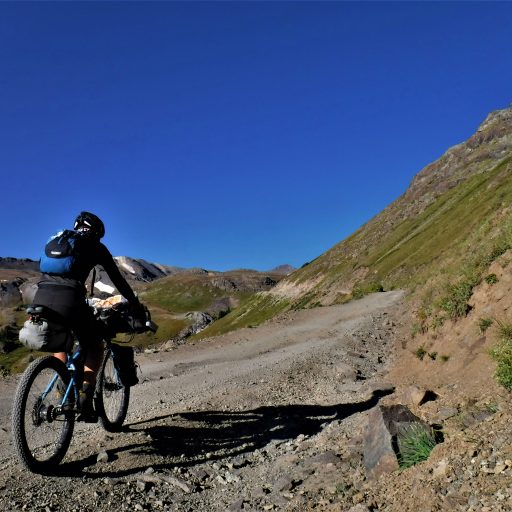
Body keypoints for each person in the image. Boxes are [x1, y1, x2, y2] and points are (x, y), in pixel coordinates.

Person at [32, 211, 144, 421]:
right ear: (98, 232)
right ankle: (85, 397)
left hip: (41, 297)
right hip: (70, 299)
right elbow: (118, 280)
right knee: (94, 346)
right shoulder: (96, 246)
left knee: (61, 340)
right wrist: (134, 303)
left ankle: (63, 383)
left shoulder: (60, 240)